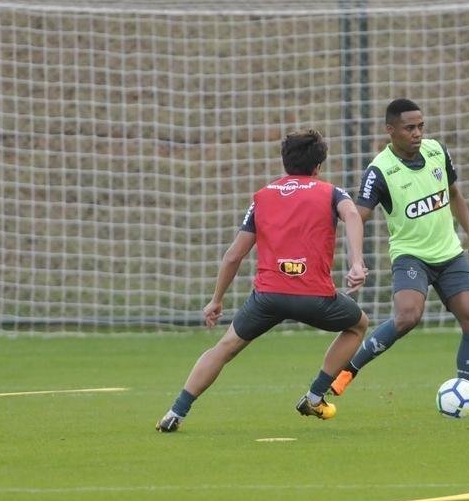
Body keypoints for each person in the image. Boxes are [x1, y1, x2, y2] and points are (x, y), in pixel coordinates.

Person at [156, 129, 369, 432]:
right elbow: (352, 215)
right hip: (315, 296)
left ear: (285, 163)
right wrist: (357, 262)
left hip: (268, 296)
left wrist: (216, 300)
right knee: (358, 325)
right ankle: (314, 395)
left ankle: (175, 412)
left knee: (224, 347)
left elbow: (234, 255)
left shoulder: (263, 197)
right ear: (318, 166)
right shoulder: (331, 192)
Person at [329, 98, 469, 416]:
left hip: (449, 254)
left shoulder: (437, 151)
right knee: (407, 316)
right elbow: (357, 216)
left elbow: (455, 195)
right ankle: (350, 369)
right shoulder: (380, 170)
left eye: (421, 126)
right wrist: (356, 259)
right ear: (391, 131)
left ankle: (465, 395)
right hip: (411, 256)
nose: (418, 133)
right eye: (409, 128)